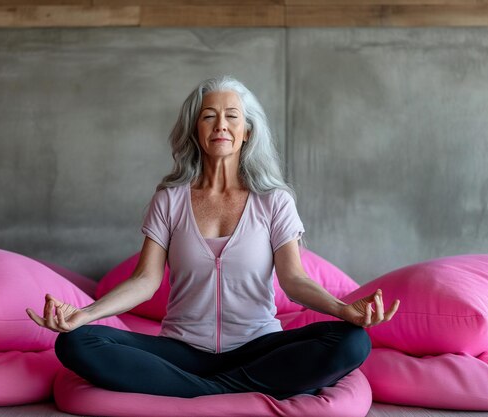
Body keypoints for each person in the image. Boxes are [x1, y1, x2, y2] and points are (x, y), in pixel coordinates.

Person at [27, 76, 400, 399]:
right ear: (196, 130)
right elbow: (145, 281)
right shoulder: (169, 199)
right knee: (76, 342)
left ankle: (193, 390)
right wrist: (83, 315)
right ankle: (233, 389)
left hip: (258, 348)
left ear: (247, 131)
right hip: (180, 349)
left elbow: (294, 280)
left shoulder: (274, 201)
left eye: (231, 116)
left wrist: (342, 310)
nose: (220, 124)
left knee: (353, 341)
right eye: (208, 116)